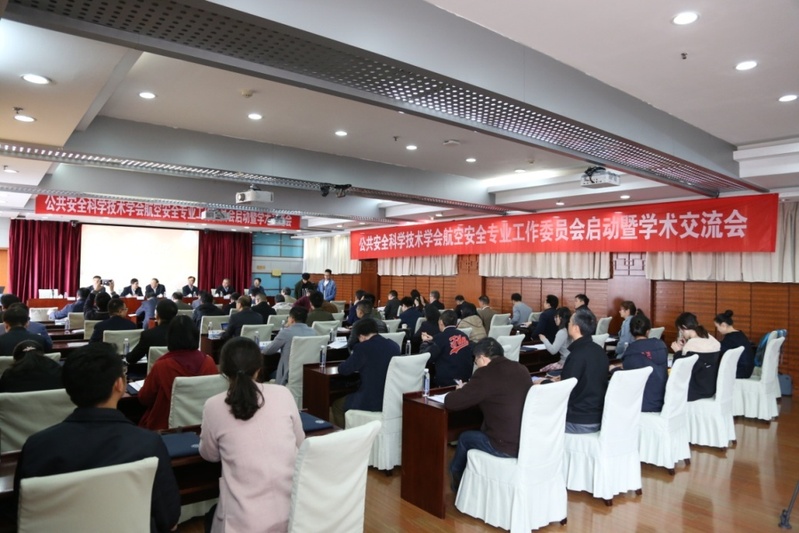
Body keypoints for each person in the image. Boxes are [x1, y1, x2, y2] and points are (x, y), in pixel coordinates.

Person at [14, 342, 181, 532]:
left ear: (68, 389)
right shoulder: (148, 444)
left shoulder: (36, 446)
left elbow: (21, 513)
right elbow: (169, 518)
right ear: (119, 384)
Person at [200, 337, 304, 532]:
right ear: (259, 367)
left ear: (223, 370)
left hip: (243, 521)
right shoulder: (283, 393)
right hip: (294, 511)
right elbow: (301, 443)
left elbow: (210, 455)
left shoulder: (213, 405)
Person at [445, 338, 532, 492]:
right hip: (525, 441)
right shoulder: (521, 368)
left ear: (482, 358)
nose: (476, 365)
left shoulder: (485, 374)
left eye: (476, 361)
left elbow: (451, 402)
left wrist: (461, 391)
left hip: (504, 445)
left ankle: (457, 479)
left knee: (465, 438)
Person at [138, 315, 218, 430]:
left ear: (170, 338)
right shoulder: (209, 362)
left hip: (166, 429)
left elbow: (144, 398)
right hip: (203, 426)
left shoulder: (162, 366)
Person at [332, 318, 400, 428]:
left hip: (370, 400)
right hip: (390, 399)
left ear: (361, 336)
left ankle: (347, 435)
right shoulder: (394, 345)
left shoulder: (362, 347)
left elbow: (344, 370)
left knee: (337, 406)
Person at [550, 307, 608, 434]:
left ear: (576, 328)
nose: (568, 324)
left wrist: (545, 383)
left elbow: (564, 390)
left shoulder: (576, 355)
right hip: (599, 416)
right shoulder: (600, 351)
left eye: (570, 322)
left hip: (578, 420)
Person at [613, 313, 668, 412]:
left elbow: (626, 378)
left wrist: (613, 369)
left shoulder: (631, 352)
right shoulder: (661, 346)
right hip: (664, 401)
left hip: (644, 404)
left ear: (631, 332)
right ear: (648, 331)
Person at [671, 312, 721, 401]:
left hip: (696, 390)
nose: (681, 333)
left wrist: (678, 352)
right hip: (711, 386)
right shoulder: (710, 338)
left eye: (680, 330)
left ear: (684, 327)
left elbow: (681, 370)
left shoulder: (691, 345)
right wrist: (685, 349)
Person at [420, 310, 473, 387]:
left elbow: (427, 357)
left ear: (441, 322)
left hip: (447, 381)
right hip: (465, 379)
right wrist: (433, 338)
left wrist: (425, 342)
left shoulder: (440, 338)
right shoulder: (464, 336)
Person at [265, 306, 316, 385]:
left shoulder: (285, 333)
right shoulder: (313, 332)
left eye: (288, 317)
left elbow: (268, 351)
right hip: (306, 374)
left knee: (266, 373)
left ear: (292, 319)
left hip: (287, 375)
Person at [126, 299, 178, 366]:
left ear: (157, 316)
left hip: (156, 371)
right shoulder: (183, 334)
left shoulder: (148, 335)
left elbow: (131, 359)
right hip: (180, 371)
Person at [714, 310, 756, 379]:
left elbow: (718, 350)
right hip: (747, 369)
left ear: (723, 325)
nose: (718, 330)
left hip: (741, 371)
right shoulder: (739, 334)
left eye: (717, 327)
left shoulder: (730, 339)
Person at [539, 307, 572, 373]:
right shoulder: (570, 330)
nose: (555, 319)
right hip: (570, 362)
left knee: (541, 371)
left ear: (560, 318)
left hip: (564, 363)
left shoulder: (562, 332)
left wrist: (544, 339)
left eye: (556, 317)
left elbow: (553, 351)